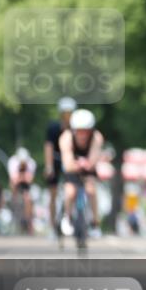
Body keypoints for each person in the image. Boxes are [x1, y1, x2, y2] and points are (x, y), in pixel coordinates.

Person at [59, 109, 105, 238]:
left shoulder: (97, 137)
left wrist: (88, 164)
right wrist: (78, 164)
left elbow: (93, 160)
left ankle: (95, 222)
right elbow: (68, 164)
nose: (83, 135)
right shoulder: (66, 138)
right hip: (72, 168)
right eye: (79, 131)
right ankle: (67, 217)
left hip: (88, 168)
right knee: (70, 191)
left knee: (91, 190)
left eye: (86, 131)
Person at [44, 96, 76, 236]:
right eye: (65, 113)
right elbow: (48, 147)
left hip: (71, 160)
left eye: (70, 113)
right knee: (53, 193)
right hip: (56, 159)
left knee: (74, 188)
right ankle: (52, 226)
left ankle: (73, 219)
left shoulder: (77, 128)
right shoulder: (53, 128)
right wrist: (49, 166)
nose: (68, 116)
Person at [7, 147, 37, 234]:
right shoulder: (12, 162)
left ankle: (29, 222)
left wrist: (21, 177)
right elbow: (13, 180)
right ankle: (14, 215)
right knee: (14, 194)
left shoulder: (31, 163)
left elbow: (30, 180)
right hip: (16, 185)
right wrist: (23, 176)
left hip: (26, 186)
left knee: (28, 199)